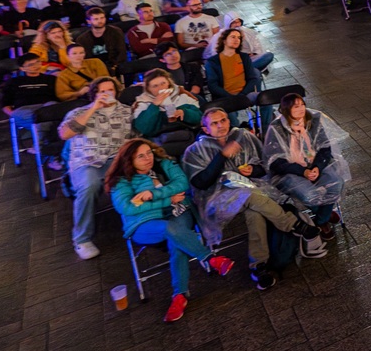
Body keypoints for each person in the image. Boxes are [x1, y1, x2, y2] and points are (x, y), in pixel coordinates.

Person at [183, 107, 321, 290]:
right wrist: (222, 156)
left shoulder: (242, 136)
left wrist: (253, 170)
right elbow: (200, 183)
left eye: (223, 120)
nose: (221, 125)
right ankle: (293, 225)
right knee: (246, 194)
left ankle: (259, 266)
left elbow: (266, 165)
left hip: (252, 190)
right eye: (214, 123)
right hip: (217, 197)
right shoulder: (195, 150)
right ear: (206, 128)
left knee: (253, 211)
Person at [105, 138, 235, 322]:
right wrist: (167, 200)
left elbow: (181, 183)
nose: (148, 158)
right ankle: (210, 258)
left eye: (148, 152)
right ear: (129, 161)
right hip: (144, 224)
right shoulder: (122, 181)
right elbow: (128, 208)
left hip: (178, 211)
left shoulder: (162, 164)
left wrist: (153, 194)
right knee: (170, 230)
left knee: (176, 240)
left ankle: (179, 296)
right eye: (140, 156)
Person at [59, 77, 137, 259]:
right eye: (102, 91)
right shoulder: (78, 112)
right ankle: (82, 239)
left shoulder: (126, 112)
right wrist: (94, 108)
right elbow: (65, 134)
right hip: (87, 161)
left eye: (110, 90)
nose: (107, 94)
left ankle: (140, 222)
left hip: (117, 159)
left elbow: (136, 137)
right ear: (95, 94)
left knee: (138, 178)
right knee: (89, 186)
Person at [263, 93, 350, 239]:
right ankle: (325, 217)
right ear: (286, 110)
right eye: (296, 106)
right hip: (290, 171)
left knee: (336, 184)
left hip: (314, 165)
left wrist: (317, 167)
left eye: (302, 104)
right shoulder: (276, 129)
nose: (301, 109)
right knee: (310, 196)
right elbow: (275, 162)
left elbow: (325, 148)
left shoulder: (313, 121)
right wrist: (303, 171)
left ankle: (320, 220)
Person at [130, 68, 204, 137]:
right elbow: (143, 129)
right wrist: (154, 106)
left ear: (168, 83)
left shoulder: (182, 96)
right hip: (159, 140)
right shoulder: (143, 103)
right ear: (148, 89)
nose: (161, 88)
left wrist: (184, 113)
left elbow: (200, 118)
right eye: (155, 86)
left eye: (163, 83)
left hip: (187, 135)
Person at [204, 27, 261, 113]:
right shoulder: (212, 62)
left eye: (239, 38)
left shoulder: (244, 57)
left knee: (264, 100)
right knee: (226, 112)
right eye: (233, 37)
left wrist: (242, 94)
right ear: (224, 40)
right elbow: (213, 85)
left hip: (245, 94)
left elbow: (253, 79)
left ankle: (264, 125)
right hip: (225, 97)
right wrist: (230, 97)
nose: (237, 40)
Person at [73, 6, 126, 75]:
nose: (100, 21)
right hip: (94, 69)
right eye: (96, 19)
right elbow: (85, 58)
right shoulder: (82, 39)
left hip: (115, 66)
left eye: (102, 18)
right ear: (89, 21)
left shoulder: (115, 32)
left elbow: (121, 51)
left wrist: (115, 65)